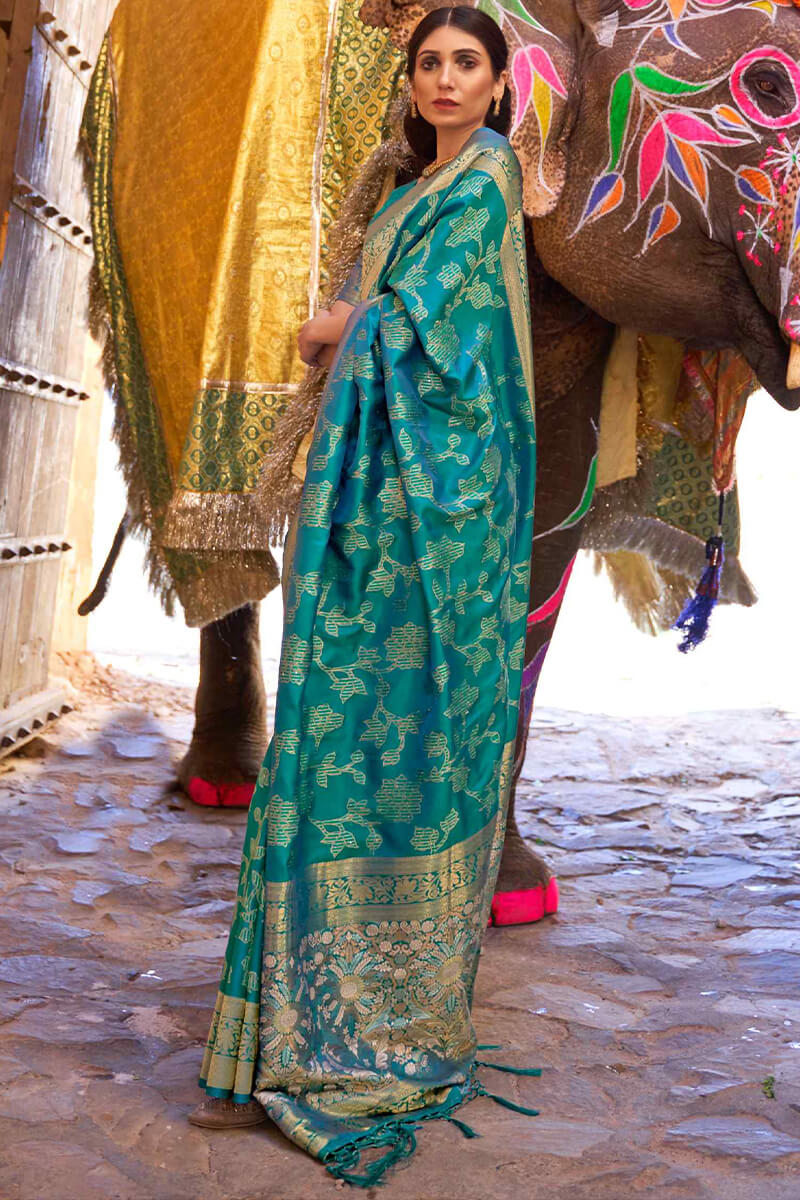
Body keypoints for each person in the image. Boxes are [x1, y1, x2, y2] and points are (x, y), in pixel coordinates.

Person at [188, 6, 538, 1185]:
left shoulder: (483, 186)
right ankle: (281, 1032)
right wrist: (349, 330)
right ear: (410, 80)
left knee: (373, 747)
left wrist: (342, 325)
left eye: (465, 65)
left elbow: (447, 350)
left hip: (416, 524)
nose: (444, 80)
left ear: (497, 84)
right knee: (320, 750)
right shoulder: (409, 185)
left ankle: (371, 1031)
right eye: (428, 63)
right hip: (368, 506)